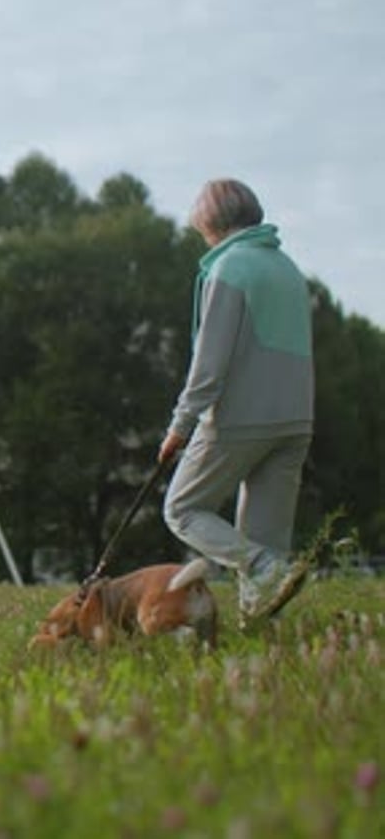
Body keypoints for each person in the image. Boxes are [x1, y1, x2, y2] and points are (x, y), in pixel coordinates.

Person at [158, 179, 314, 628]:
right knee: (265, 536)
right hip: (295, 419)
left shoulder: (229, 268)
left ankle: (267, 568)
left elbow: (210, 362)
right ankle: (262, 632)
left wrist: (180, 426)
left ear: (212, 224)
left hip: (241, 418)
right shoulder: (287, 268)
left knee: (183, 509)